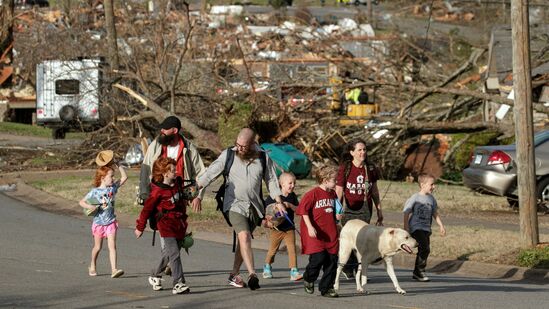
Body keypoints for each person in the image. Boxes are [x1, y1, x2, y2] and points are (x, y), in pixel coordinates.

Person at [197, 128, 286, 291]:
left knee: (242, 241)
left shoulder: (263, 157)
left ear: (253, 144)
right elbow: (211, 173)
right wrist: (196, 188)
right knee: (244, 236)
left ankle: (234, 274)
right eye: (237, 144)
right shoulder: (229, 155)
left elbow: (272, 181)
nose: (239, 148)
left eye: (243, 146)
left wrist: (279, 201)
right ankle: (253, 274)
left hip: (254, 207)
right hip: (234, 204)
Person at [138, 115, 205, 275]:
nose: (161, 131)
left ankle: (165, 264)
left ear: (174, 131)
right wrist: (144, 193)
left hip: (180, 196)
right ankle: (173, 271)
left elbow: (202, 173)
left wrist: (198, 195)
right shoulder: (156, 145)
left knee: (177, 231)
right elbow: (145, 168)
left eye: (165, 129)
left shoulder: (188, 148)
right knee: (165, 228)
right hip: (159, 194)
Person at [135, 157, 191, 294]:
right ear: (165, 173)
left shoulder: (177, 182)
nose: (176, 171)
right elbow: (147, 210)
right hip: (165, 224)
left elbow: (181, 201)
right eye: (173, 170)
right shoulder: (156, 191)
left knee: (168, 254)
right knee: (174, 253)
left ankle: (154, 274)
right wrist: (140, 227)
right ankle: (178, 283)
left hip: (178, 223)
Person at [335, 138, 383, 279]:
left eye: (364, 149)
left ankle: (359, 270)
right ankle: (349, 267)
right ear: (352, 152)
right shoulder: (345, 168)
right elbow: (339, 191)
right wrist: (336, 212)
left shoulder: (370, 168)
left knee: (362, 240)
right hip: (348, 210)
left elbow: (374, 192)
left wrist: (380, 211)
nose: (363, 152)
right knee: (349, 238)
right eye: (359, 150)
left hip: (365, 210)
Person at [297, 165, 339, 298]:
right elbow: (303, 210)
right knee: (318, 258)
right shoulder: (312, 194)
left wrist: (337, 218)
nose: (336, 182)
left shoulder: (333, 194)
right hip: (315, 233)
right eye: (334, 180)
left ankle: (327, 288)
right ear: (325, 180)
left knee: (332, 261)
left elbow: (335, 209)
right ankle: (309, 278)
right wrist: (310, 227)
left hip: (330, 233)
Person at [79, 162, 128, 278]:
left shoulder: (112, 189)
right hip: (99, 224)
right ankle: (92, 265)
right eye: (111, 176)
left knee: (112, 246)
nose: (113, 178)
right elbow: (81, 202)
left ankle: (114, 269)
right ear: (103, 178)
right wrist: (90, 207)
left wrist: (118, 165)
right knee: (98, 247)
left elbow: (124, 177)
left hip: (110, 222)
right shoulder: (94, 192)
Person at [403, 174, 446, 282]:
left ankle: (417, 272)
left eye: (434, 184)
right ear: (422, 185)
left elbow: (434, 213)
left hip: (426, 228)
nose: (434, 187)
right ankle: (419, 271)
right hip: (416, 227)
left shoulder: (431, 199)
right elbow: (406, 212)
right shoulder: (415, 197)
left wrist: (441, 225)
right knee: (425, 248)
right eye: (431, 184)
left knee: (424, 250)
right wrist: (406, 227)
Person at [262, 172, 303, 281]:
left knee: (292, 249)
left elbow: (298, 210)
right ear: (281, 184)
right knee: (272, 250)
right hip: (276, 229)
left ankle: (294, 271)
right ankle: (267, 267)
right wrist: (268, 219)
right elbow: (265, 211)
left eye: (294, 183)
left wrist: (289, 205)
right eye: (290, 183)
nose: (293, 185)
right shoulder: (274, 196)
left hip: (289, 228)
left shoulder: (292, 196)